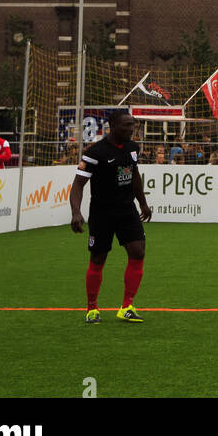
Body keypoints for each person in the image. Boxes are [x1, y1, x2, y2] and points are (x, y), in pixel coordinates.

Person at [70, 108, 151, 324]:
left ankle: (127, 306)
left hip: (127, 210)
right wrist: (76, 212)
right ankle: (92, 309)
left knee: (138, 251)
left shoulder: (133, 148)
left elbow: (134, 175)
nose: (131, 129)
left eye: (133, 125)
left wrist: (142, 203)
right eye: (127, 125)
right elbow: (78, 185)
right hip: (102, 212)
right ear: (113, 126)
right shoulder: (94, 152)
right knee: (98, 258)